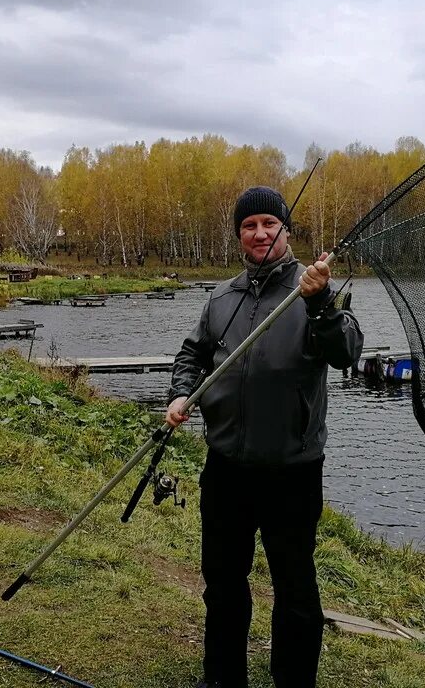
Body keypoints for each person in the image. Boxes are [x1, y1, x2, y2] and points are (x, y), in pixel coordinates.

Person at [166, 186, 363, 688]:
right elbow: (193, 353)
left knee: (294, 589)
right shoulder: (221, 297)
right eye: (249, 226)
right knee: (224, 584)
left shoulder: (314, 289)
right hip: (227, 467)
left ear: (286, 232)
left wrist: (320, 303)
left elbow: (345, 352)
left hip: (291, 470)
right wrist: (181, 393)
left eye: (268, 225)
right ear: (239, 236)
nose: (259, 233)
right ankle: (223, 677)